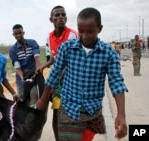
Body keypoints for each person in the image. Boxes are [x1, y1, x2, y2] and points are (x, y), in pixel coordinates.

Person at [36, 7, 128, 140]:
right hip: (68, 110)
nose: (84, 36)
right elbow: (54, 75)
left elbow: (116, 83)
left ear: (99, 29)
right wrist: (43, 100)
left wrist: (121, 115)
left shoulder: (108, 53)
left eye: (90, 32)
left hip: (92, 111)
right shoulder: (67, 48)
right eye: (81, 31)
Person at [37, 5, 78, 141]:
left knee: (72, 114)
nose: (61, 17)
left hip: (73, 80)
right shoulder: (49, 37)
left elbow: (70, 63)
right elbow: (55, 59)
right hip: (59, 79)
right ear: (51, 19)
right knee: (56, 113)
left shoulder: (72, 35)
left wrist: (54, 84)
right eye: (57, 15)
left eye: (63, 15)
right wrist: (44, 65)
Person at [9, 24, 41, 104]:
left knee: (35, 99)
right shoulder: (13, 50)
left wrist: (37, 69)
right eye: (16, 34)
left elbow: (36, 57)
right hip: (21, 80)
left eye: (20, 33)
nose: (18, 35)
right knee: (22, 102)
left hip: (34, 76)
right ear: (13, 35)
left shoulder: (32, 43)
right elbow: (17, 66)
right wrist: (22, 77)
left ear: (23, 32)